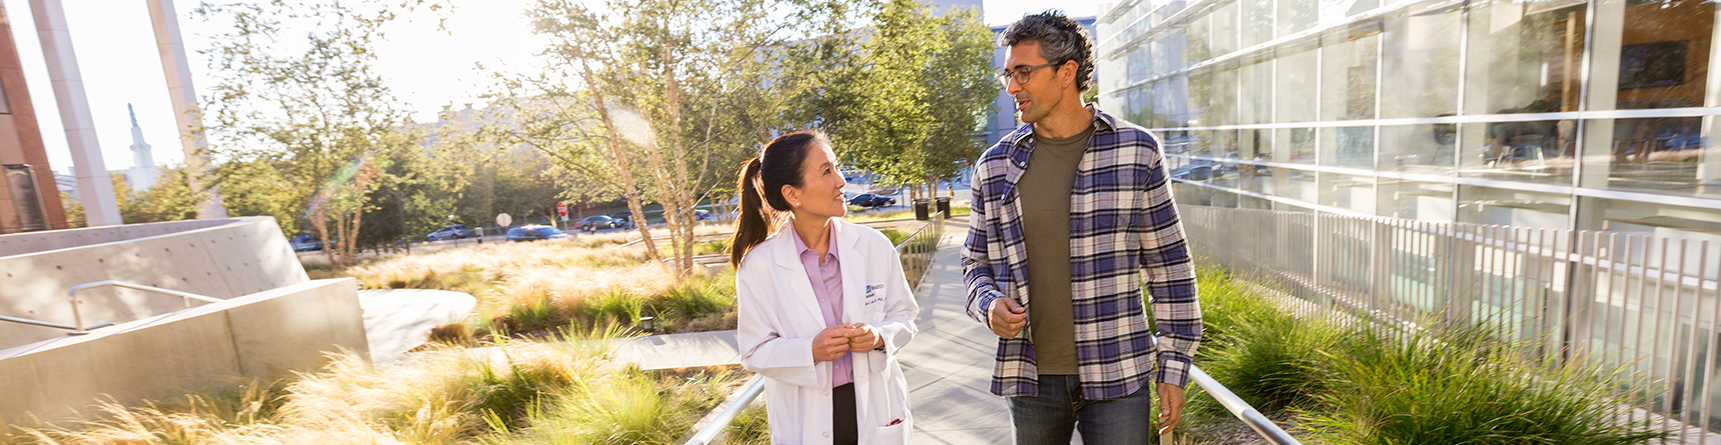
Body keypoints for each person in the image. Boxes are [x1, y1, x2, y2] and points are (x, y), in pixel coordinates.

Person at [963, 11, 1202, 444]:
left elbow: (1170, 268)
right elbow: (974, 261)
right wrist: (988, 302)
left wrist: (1174, 365)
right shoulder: (994, 165)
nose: (1012, 87)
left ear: (1067, 72)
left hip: (1119, 375)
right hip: (1030, 376)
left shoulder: (1136, 151)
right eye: (1008, 75)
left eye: (1023, 73)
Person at [733, 130, 921, 445]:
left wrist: (878, 337)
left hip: (876, 408)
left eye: (836, 167)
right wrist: (810, 351)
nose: (841, 181)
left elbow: (904, 316)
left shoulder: (873, 245)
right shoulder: (758, 266)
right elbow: (753, 352)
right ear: (793, 194)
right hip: (806, 419)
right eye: (826, 171)